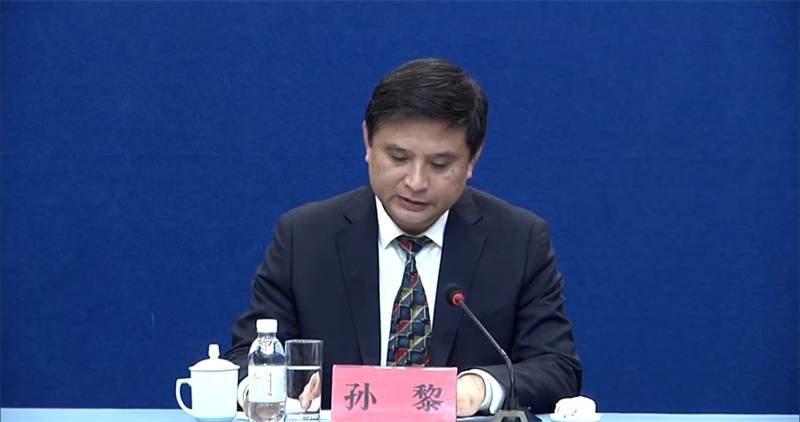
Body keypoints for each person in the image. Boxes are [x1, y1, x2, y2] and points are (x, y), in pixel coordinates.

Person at [222, 57, 582, 417]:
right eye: (398, 157)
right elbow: (244, 357)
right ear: (368, 141)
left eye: (440, 164)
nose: (416, 182)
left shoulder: (518, 241)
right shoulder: (304, 237)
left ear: (473, 157)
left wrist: (479, 387)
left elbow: (557, 366)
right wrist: (263, 391)